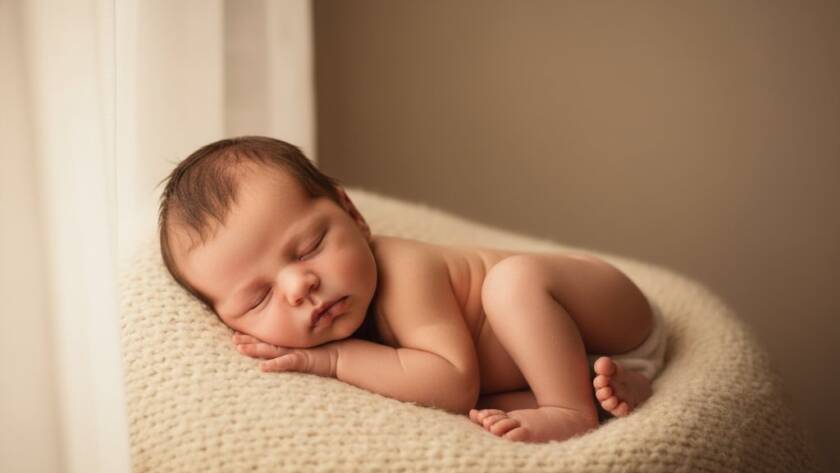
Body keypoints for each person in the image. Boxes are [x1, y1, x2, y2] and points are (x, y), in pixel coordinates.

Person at [158, 136, 667, 443]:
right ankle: (618, 391)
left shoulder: (402, 270)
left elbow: (450, 383)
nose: (299, 286)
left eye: (309, 246)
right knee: (491, 406)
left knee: (514, 284)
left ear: (353, 215)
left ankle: (571, 412)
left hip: (603, 307)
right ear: (230, 322)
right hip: (583, 358)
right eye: (258, 298)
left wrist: (331, 360)